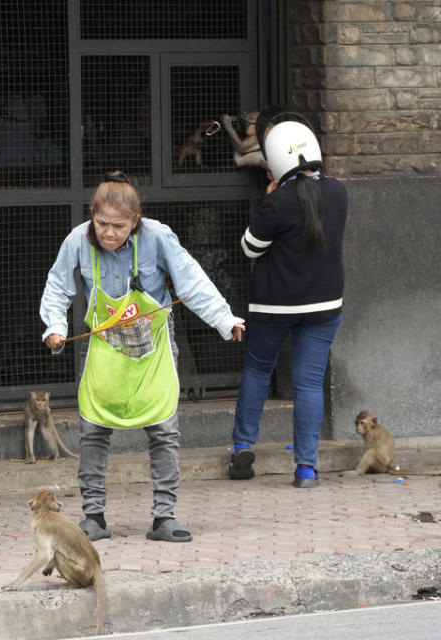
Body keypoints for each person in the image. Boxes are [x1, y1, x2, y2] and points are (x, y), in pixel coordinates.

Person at [40, 171, 245, 543]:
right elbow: (57, 287)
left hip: (154, 349)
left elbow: (192, 281)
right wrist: (54, 327)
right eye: (101, 223)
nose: (109, 232)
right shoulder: (77, 241)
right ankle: (94, 516)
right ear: (92, 215)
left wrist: (224, 319)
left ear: (136, 220)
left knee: (164, 430)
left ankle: (164, 517)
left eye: (119, 225)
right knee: (93, 431)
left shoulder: (157, 237)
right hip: (104, 348)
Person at [228, 110, 347, 488]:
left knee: (258, 370)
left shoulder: (277, 201)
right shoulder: (339, 192)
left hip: (274, 305)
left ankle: (243, 446)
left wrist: (269, 199)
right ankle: (306, 468)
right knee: (309, 383)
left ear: (276, 160)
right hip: (325, 304)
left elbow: (250, 247)